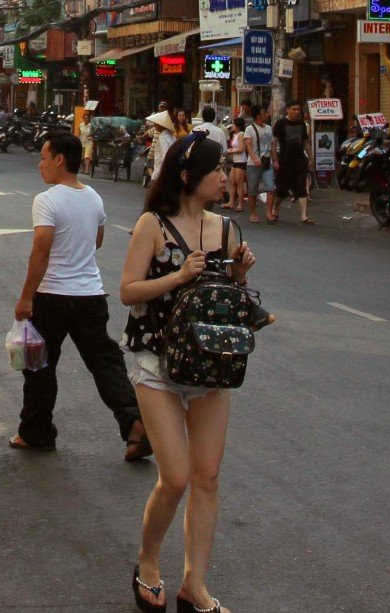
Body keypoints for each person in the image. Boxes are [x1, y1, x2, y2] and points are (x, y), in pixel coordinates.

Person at [119, 135, 255, 613]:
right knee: (174, 477)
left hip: (210, 365)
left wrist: (239, 278)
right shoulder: (151, 226)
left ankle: (194, 584)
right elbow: (129, 291)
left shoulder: (227, 230)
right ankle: (149, 562)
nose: (225, 177)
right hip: (157, 361)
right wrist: (177, 276)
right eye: (216, 170)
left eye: (225, 169)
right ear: (186, 176)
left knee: (208, 477)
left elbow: (228, 301)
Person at [11, 131, 149, 462]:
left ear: (60, 160)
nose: (40, 165)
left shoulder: (47, 200)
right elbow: (97, 240)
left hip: (53, 297)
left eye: (44, 157)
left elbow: (41, 251)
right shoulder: (93, 197)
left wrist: (26, 298)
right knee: (105, 363)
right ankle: (134, 424)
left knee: (40, 367)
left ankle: (37, 433)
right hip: (90, 295)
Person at [269, 100, 312, 225]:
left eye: (298, 109)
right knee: (282, 189)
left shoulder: (302, 124)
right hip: (285, 161)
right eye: (293, 109)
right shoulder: (281, 124)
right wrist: (275, 159)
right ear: (287, 110)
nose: (296, 112)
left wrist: (311, 158)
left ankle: (304, 215)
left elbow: (306, 142)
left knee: (301, 187)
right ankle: (275, 209)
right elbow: (274, 142)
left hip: (300, 160)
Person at [224, 107, 251, 213]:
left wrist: (229, 151)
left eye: (234, 124)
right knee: (231, 181)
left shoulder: (241, 134)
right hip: (235, 161)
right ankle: (231, 202)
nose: (232, 126)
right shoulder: (235, 135)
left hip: (241, 161)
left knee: (239, 182)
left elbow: (240, 149)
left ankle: (240, 204)